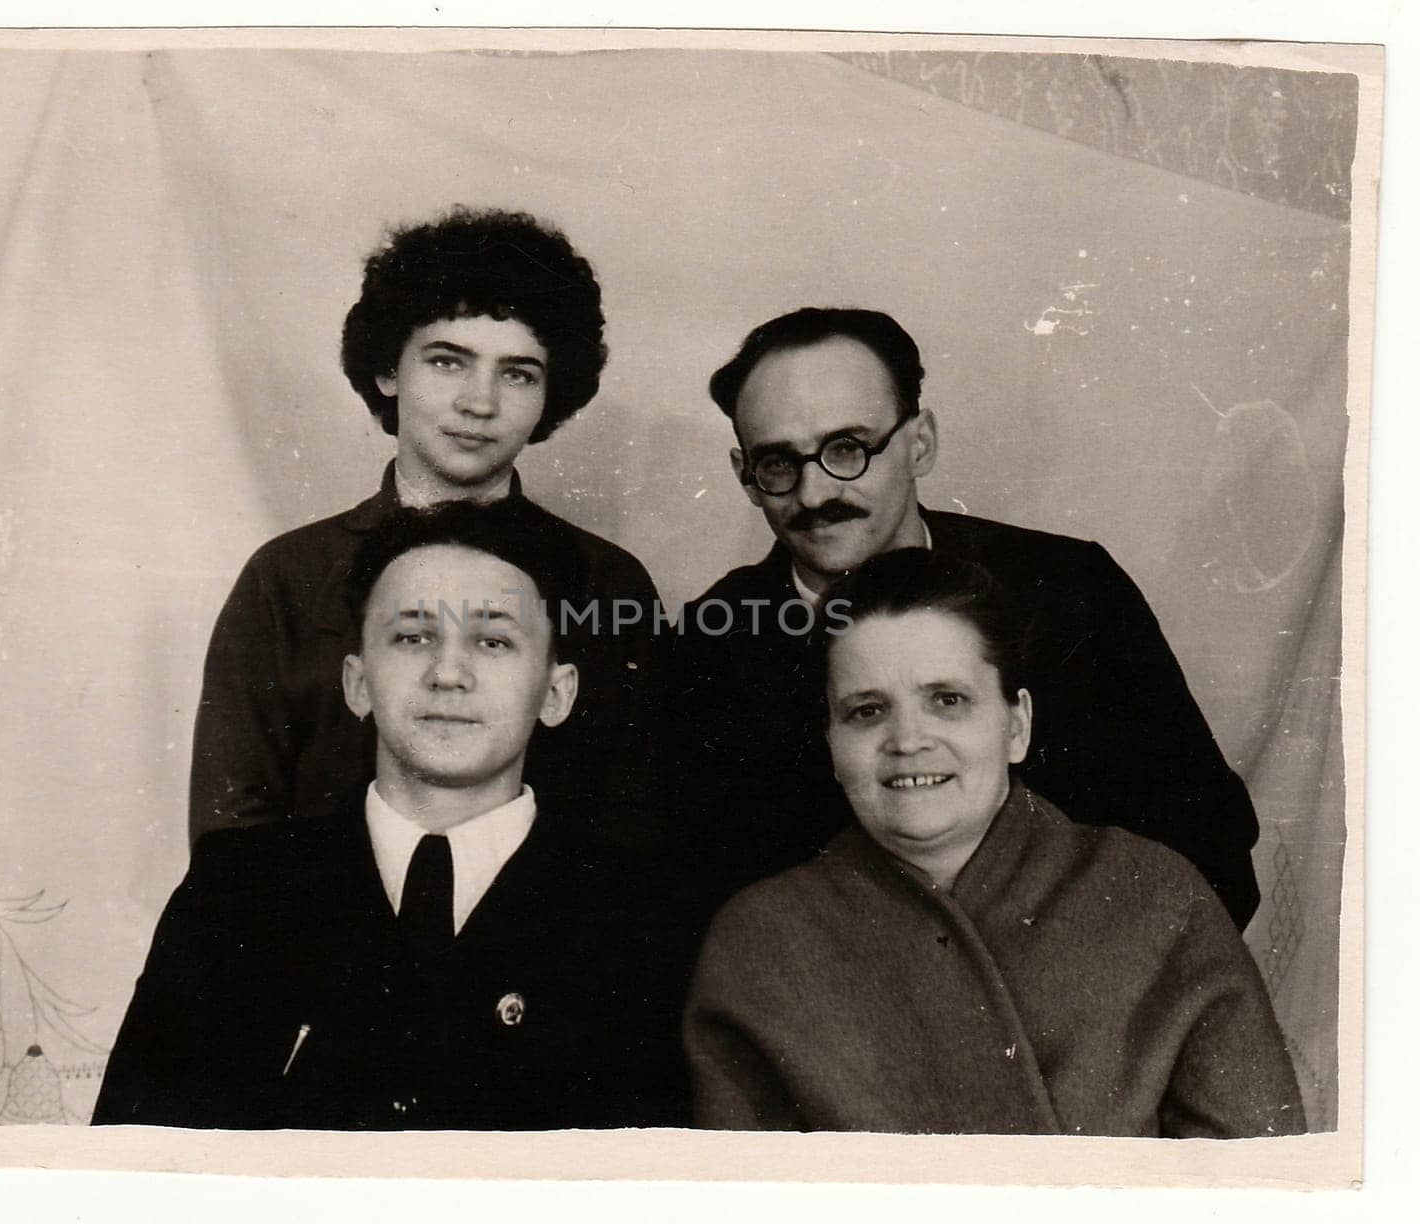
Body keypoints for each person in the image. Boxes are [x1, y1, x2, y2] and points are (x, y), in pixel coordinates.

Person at [94, 501, 691, 1130]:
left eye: (494, 640)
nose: (448, 673)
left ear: (557, 692)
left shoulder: (642, 919)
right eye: (413, 637)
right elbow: (134, 1171)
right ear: (356, 681)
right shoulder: (235, 894)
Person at [671, 307, 1260, 928]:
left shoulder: (1071, 591)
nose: (816, 494)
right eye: (778, 464)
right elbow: (703, 914)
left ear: (920, 442)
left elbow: (1207, 849)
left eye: (848, 448)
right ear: (745, 476)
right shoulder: (707, 644)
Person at [682, 549, 1304, 1136]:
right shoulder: (758, 941)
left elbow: (1254, 1183)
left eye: (947, 701)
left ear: (1016, 725)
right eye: (867, 711)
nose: (908, 741)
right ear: (830, 742)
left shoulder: (1158, 898)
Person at [189, 206, 662, 852]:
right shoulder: (288, 579)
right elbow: (231, 834)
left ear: (553, 393)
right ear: (389, 369)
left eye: (518, 373)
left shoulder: (609, 584)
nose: (480, 402)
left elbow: (639, 830)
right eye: (448, 362)